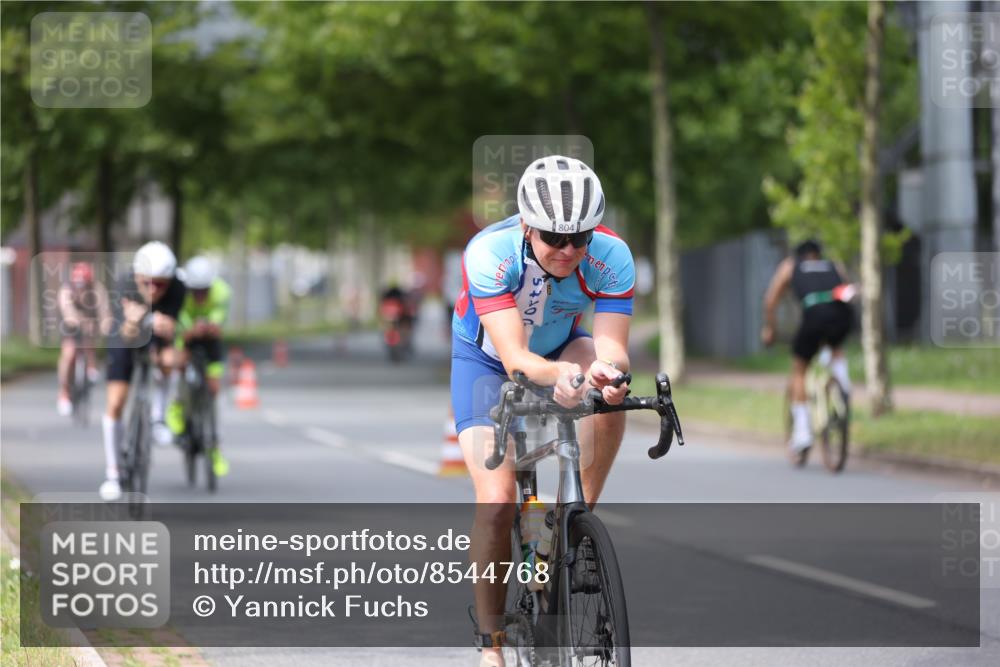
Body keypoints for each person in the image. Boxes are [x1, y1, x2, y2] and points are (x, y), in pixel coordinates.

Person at [451, 155, 634, 666]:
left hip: (561, 345)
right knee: (498, 500)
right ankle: (492, 647)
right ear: (527, 226)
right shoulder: (490, 252)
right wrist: (564, 378)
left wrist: (605, 373)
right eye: (554, 238)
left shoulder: (612, 255)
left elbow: (612, 346)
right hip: (486, 361)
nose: (569, 250)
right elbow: (515, 359)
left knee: (610, 390)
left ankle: (570, 523)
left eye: (580, 238)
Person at [100, 242, 186, 501]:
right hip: (125, 334)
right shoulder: (124, 285)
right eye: (147, 283)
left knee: (169, 359)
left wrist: (163, 327)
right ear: (137, 277)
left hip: (156, 334)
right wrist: (135, 320)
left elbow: (171, 329)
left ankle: (158, 416)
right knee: (116, 402)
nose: (153, 289)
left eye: (160, 284)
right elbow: (126, 334)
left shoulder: (178, 288)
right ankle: (113, 473)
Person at [761, 239, 854, 454]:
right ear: (818, 254)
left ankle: (802, 432)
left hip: (813, 316)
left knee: (799, 369)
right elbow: (846, 287)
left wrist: (770, 328)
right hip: (842, 316)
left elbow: (770, 299)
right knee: (835, 346)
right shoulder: (833, 264)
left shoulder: (790, 266)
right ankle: (843, 385)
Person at [168, 255, 231, 477]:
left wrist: (212, 323)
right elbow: (179, 319)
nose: (201, 295)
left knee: (213, 389)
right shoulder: (182, 294)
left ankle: (214, 447)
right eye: (197, 291)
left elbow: (220, 316)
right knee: (180, 363)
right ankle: (178, 405)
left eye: (205, 290)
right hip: (186, 335)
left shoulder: (222, 291)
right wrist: (189, 329)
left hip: (210, 338)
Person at [57, 261, 113, 416]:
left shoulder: (97, 289)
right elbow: (68, 313)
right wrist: (81, 322)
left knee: (89, 337)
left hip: (89, 321)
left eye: (85, 284)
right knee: (69, 354)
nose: (82, 288)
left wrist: (106, 326)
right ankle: (64, 393)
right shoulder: (67, 290)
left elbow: (104, 311)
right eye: (79, 284)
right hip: (70, 322)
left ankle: (91, 365)